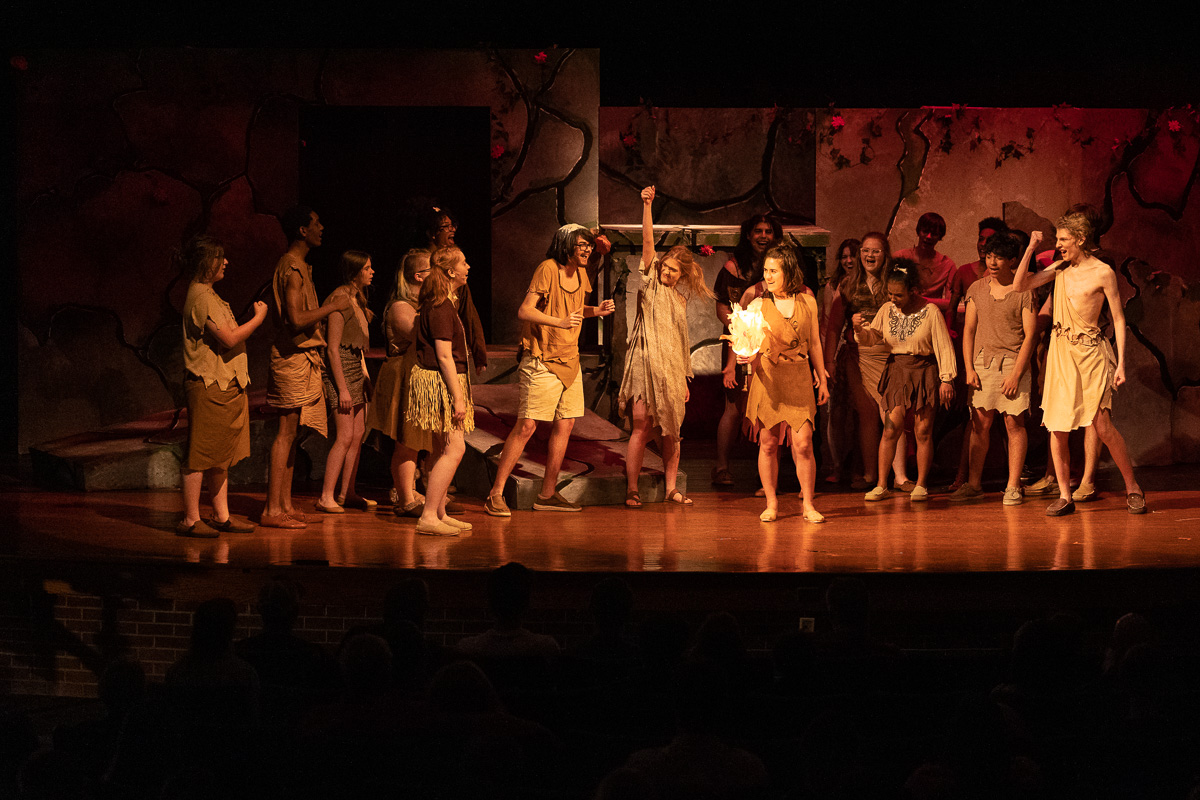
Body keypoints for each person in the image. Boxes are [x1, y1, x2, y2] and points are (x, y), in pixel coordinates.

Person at [1012, 215, 1146, 516]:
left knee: (1102, 426)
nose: (1058, 245)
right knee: (1057, 427)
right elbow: (1020, 285)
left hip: (1091, 352)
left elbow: (1119, 319)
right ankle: (1065, 496)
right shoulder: (1060, 268)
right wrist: (1030, 248)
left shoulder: (1102, 272)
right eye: (1057, 239)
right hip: (1062, 353)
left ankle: (1133, 487)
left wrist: (1121, 363)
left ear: (1081, 239)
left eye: (1063, 240)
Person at [484, 225, 616, 516]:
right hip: (542, 358)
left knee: (566, 424)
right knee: (527, 425)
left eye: (589, 246)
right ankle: (495, 494)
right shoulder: (548, 269)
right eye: (582, 245)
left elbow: (575, 309)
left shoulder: (580, 272)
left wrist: (597, 311)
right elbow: (525, 310)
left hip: (570, 358)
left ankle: (547, 494)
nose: (587, 250)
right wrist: (559, 323)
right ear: (566, 245)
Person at [619, 186, 715, 507]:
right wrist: (647, 205)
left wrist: (684, 378)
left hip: (671, 371)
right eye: (665, 267)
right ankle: (632, 489)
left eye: (673, 270)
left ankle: (671, 488)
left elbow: (681, 341)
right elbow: (648, 244)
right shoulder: (651, 286)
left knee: (672, 430)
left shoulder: (679, 300)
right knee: (641, 426)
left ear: (681, 275)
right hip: (645, 366)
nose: (667, 272)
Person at [262, 206, 351, 529]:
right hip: (292, 358)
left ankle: (284, 504)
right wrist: (333, 307)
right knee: (285, 433)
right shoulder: (292, 268)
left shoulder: (299, 266)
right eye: (316, 223)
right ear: (302, 230)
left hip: (301, 357)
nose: (321, 227)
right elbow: (296, 319)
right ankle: (272, 510)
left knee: (292, 433)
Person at [177, 235, 268, 538]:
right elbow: (228, 338)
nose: (226, 262)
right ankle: (191, 519)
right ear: (206, 262)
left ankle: (221, 516)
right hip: (209, 384)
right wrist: (259, 319)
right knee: (201, 453)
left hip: (225, 383)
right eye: (220, 257)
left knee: (220, 454)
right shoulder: (201, 296)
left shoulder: (209, 294)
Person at [738, 245, 828, 523]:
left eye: (773, 271)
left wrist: (822, 378)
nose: (768, 276)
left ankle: (808, 504)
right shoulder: (758, 304)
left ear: (788, 271)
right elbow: (749, 344)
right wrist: (746, 355)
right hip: (769, 377)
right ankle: (771, 503)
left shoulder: (807, 302)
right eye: (766, 270)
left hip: (798, 375)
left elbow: (815, 342)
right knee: (768, 443)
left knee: (804, 444)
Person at [856, 259, 956, 502]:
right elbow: (873, 337)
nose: (893, 299)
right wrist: (860, 330)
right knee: (891, 428)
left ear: (913, 290)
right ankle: (882, 484)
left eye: (898, 295)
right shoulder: (887, 310)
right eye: (890, 294)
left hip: (924, 370)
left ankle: (921, 484)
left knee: (923, 430)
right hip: (897, 369)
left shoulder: (930, 312)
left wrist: (946, 379)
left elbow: (943, 346)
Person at [823, 233, 915, 491]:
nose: (869, 255)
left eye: (875, 251)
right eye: (865, 250)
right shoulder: (848, 284)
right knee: (867, 414)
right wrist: (829, 362)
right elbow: (834, 326)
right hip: (859, 356)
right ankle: (870, 474)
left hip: (890, 356)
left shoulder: (894, 281)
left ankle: (900, 476)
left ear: (885, 254)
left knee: (893, 413)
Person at [953, 231, 1037, 504]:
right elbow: (969, 330)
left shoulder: (1023, 290)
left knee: (1014, 424)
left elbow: (1030, 335)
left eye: (999, 257)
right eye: (989, 256)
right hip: (983, 362)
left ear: (1012, 260)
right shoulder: (977, 288)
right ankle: (974, 484)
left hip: (1013, 362)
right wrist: (969, 367)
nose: (992, 262)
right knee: (980, 424)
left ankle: (1013, 486)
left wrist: (1016, 374)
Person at [405, 248, 477, 536]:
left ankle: (438, 512)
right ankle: (428, 516)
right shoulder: (440, 307)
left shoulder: (444, 304)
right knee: (455, 448)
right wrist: (458, 397)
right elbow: (444, 356)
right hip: (440, 382)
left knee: (439, 449)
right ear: (450, 272)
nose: (468, 267)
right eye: (463, 263)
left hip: (440, 380)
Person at [711, 214, 783, 487]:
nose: (763, 236)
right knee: (734, 406)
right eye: (758, 231)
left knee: (771, 409)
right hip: (739, 342)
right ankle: (722, 467)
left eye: (768, 231)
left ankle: (766, 474)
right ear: (749, 235)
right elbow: (722, 304)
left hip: (773, 345)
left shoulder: (781, 266)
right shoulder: (734, 267)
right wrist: (740, 329)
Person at [365, 248, 432, 518]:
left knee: (419, 440)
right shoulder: (400, 307)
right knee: (407, 440)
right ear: (418, 276)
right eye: (433, 270)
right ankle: (405, 498)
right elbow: (422, 334)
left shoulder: (420, 305)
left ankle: (416, 493)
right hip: (402, 377)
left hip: (417, 375)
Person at [945, 217, 1009, 491]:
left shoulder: (1011, 278)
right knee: (973, 416)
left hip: (1004, 351)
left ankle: (1015, 477)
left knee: (1009, 417)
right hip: (972, 351)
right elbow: (951, 309)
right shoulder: (965, 273)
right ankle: (964, 476)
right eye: (981, 239)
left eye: (990, 240)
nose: (983, 245)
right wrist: (952, 342)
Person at [316, 250, 376, 514]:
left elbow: (358, 348)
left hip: (354, 370)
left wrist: (365, 376)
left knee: (358, 433)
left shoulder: (357, 299)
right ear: (355, 271)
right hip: (339, 371)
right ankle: (325, 496)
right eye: (367, 268)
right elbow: (332, 349)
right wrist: (342, 389)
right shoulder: (339, 299)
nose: (372, 272)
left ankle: (346, 492)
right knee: (344, 436)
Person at [422, 205, 488, 377]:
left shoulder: (458, 274)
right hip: (428, 357)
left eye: (453, 225)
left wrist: (479, 354)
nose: (452, 229)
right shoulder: (422, 265)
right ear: (432, 233)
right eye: (445, 226)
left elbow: (469, 313)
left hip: (450, 351)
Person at [821, 238, 861, 485]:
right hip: (838, 352)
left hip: (859, 352)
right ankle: (835, 465)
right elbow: (829, 323)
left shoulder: (867, 283)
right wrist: (828, 361)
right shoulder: (833, 285)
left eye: (852, 256)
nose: (848, 261)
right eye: (844, 256)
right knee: (836, 412)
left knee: (859, 413)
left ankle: (857, 465)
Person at [895, 212, 958, 326]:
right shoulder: (900, 257)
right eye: (925, 231)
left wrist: (921, 301)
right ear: (918, 231)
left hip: (930, 320)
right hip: (901, 317)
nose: (928, 237)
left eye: (934, 234)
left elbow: (951, 303)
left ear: (940, 236)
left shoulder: (947, 265)